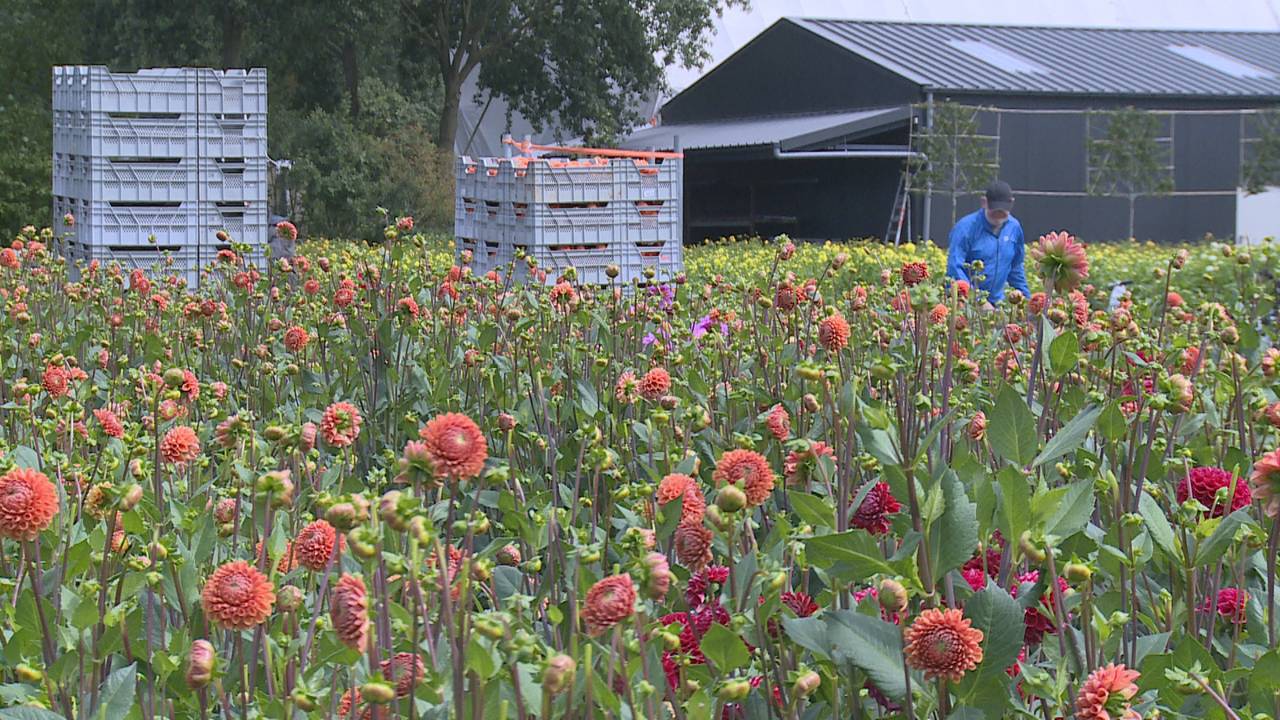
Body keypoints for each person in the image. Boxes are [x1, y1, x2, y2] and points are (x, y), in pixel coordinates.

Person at [945, 180, 1029, 308]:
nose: (998, 216)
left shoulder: (1014, 228)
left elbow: (1016, 268)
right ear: (984, 202)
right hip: (964, 303)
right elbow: (955, 269)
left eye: (1003, 211)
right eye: (994, 210)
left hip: (997, 304)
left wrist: (1027, 300)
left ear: (1012, 203)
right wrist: (978, 300)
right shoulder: (965, 228)